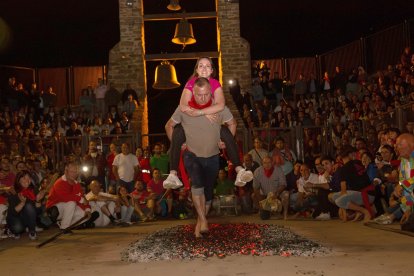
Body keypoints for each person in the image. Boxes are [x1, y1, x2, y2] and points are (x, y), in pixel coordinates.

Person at [163, 57, 252, 189]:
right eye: (201, 66)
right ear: (197, 70)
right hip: (191, 122)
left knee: (225, 131)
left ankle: (239, 169)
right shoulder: (191, 83)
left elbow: (221, 105)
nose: (204, 68)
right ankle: (173, 174)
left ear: (212, 70)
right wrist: (179, 143)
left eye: (207, 66)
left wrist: (202, 112)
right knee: (178, 131)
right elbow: (182, 105)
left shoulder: (215, 83)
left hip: (210, 122)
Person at [165, 77, 238, 238]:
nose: (203, 98)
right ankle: (204, 220)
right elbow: (169, 125)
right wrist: (177, 144)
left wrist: (224, 142)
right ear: (192, 94)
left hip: (212, 156)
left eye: (206, 95)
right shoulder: (184, 108)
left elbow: (233, 123)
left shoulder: (219, 108)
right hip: (192, 155)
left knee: (208, 193)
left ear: (211, 93)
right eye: (199, 95)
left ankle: (199, 222)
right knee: (197, 183)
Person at [46, 162, 96, 230]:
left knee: (84, 213)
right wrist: (80, 199)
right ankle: (64, 227)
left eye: (75, 172)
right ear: (66, 171)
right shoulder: (60, 182)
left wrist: (87, 209)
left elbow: (83, 200)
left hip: (67, 209)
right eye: (72, 172)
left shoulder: (76, 184)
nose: (74, 174)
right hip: (54, 210)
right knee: (71, 203)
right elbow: (65, 197)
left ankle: (65, 225)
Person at [6, 171, 45, 240]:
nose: (27, 180)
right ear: (18, 180)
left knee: (29, 206)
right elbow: (12, 212)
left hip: (28, 217)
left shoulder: (34, 190)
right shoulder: (13, 191)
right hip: (15, 217)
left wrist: (38, 201)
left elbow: (38, 212)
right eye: (24, 178)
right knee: (18, 229)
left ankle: (32, 231)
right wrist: (22, 203)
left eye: (28, 178)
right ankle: (12, 229)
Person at [394, 133, 414, 226]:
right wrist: (408, 208)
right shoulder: (403, 161)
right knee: (402, 193)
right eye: (397, 145)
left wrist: (401, 184)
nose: (396, 147)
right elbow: (405, 188)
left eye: (400, 145)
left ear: (411, 145)